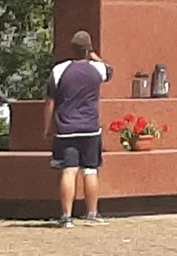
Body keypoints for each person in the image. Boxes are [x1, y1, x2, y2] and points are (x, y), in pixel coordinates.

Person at [43, 30, 113, 227]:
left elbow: (50, 102)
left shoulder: (59, 70)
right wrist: (93, 55)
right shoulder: (97, 70)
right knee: (90, 170)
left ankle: (66, 216)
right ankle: (92, 213)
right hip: (90, 128)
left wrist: (47, 128)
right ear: (88, 49)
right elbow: (109, 70)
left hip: (66, 128)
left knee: (69, 170)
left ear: (71, 48)